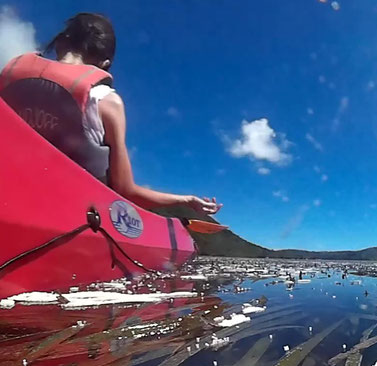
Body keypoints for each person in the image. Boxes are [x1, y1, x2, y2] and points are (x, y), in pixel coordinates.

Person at [0, 13, 220, 215]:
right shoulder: (107, 101)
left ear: (60, 42)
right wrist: (186, 200)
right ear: (105, 64)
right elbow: (125, 190)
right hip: (65, 219)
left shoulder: (8, 75)